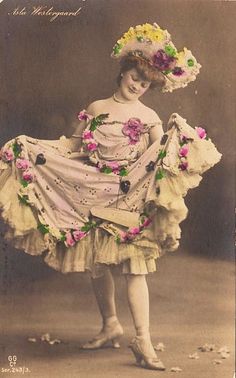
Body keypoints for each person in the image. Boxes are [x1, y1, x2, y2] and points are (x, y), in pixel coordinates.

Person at [0, 23, 222, 371]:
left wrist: (173, 137)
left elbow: (156, 159)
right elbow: (74, 146)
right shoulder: (97, 106)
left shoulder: (149, 117)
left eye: (145, 84)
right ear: (123, 71)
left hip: (129, 196)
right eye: (135, 77)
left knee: (135, 267)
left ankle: (143, 339)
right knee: (98, 263)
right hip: (92, 192)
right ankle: (110, 324)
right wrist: (36, 146)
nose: (138, 86)